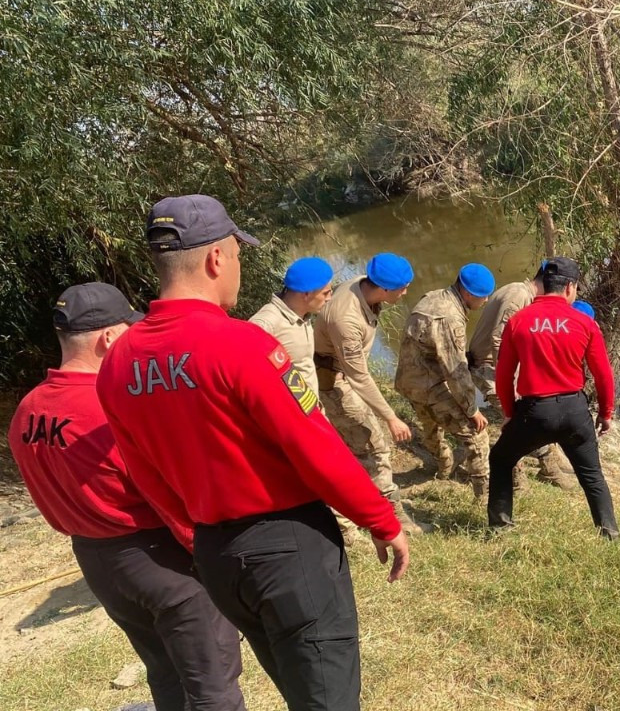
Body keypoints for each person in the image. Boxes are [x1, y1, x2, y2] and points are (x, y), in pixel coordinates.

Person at [97, 194, 409, 711]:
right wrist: (382, 519)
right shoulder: (243, 344)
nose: (239, 267)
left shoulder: (119, 361)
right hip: (288, 550)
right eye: (238, 255)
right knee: (326, 698)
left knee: (295, 682)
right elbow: (315, 446)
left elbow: (146, 474)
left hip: (218, 556)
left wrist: (194, 535)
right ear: (217, 259)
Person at [9, 283, 246, 711]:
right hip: (159, 561)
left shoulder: (28, 410)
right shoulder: (111, 404)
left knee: (166, 672)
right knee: (214, 684)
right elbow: (173, 491)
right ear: (109, 338)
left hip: (97, 562)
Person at [488, 256, 620, 539]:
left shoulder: (518, 321)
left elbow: (503, 375)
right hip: (574, 411)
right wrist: (605, 414)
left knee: (500, 459)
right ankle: (609, 534)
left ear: (544, 284)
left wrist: (510, 414)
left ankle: (500, 529)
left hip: (534, 412)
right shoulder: (584, 323)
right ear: (570, 287)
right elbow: (603, 375)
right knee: (592, 475)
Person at [313, 252, 418, 535]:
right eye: (402, 288)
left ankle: (358, 504)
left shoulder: (363, 284)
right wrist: (391, 417)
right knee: (375, 445)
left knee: (353, 446)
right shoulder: (345, 319)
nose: (406, 292)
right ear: (383, 289)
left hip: (344, 374)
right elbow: (357, 376)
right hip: (333, 383)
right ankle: (389, 517)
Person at [466, 266, 574, 490]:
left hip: (496, 365)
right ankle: (524, 476)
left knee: (533, 408)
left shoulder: (521, 292)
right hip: (487, 367)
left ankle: (550, 464)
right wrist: (510, 384)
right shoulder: (519, 295)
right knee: (519, 416)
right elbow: (498, 340)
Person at [395, 263, 495, 498]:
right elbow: (456, 372)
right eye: (483, 297)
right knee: (477, 435)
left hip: (409, 380)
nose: (486, 301)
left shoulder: (433, 297)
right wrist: (472, 410)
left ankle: (443, 467)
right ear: (468, 293)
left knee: (430, 428)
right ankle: (484, 496)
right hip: (429, 386)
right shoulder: (449, 317)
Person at [248, 256, 334, 394]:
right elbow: (247, 378)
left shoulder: (303, 316)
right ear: (306, 294)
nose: (330, 298)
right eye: (325, 293)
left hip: (309, 409)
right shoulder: (266, 324)